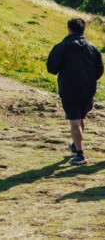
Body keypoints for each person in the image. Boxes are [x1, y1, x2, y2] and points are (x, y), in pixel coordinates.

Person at [47, 17, 103, 165]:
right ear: (83, 30)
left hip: (69, 88)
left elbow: (51, 68)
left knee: (74, 121)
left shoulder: (62, 46)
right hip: (87, 88)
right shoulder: (92, 48)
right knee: (81, 118)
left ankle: (79, 154)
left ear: (69, 29)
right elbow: (99, 70)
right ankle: (74, 145)